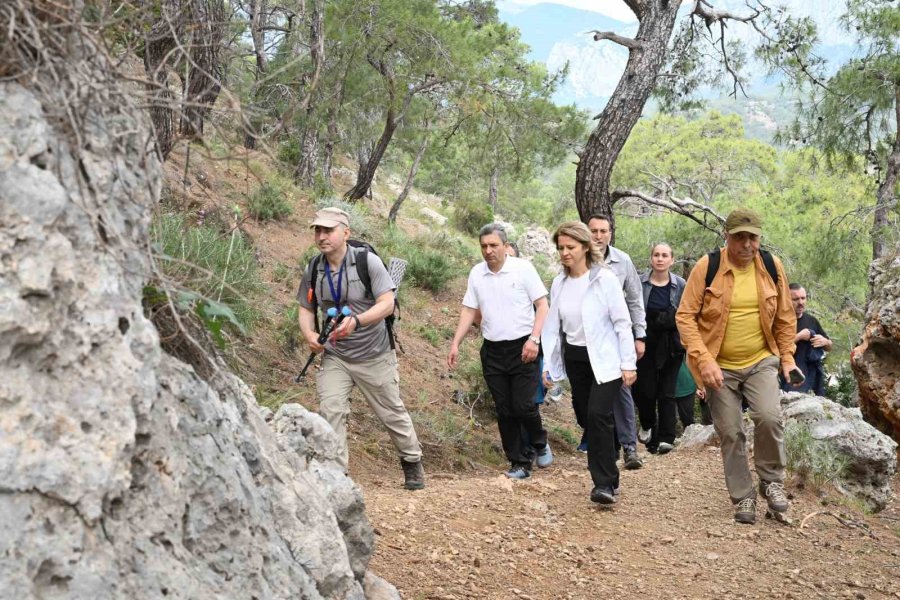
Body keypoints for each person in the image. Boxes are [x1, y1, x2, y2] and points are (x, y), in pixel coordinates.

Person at [676, 208, 798, 524]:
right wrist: (704, 361)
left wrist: (787, 358)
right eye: (739, 237)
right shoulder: (708, 266)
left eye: (752, 237)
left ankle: (771, 484)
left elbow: (785, 316)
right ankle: (744, 497)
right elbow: (685, 316)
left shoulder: (771, 266)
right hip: (718, 366)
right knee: (730, 432)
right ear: (726, 237)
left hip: (761, 359)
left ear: (759, 237)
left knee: (769, 417)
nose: (747, 244)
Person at [297, 207, 425, 490]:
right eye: (317, 230)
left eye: (328, 230)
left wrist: (357, 321)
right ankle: (336, 475)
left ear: (346, 232)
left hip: (374, 353)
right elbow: (306, 308)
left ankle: (412, 461)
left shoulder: (367, 262)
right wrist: (310, 335)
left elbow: (387, 303)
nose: (321, 236)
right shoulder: (314, 268)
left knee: (391, 411)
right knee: (330, 408)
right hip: (336, 354)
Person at [541, 222, 637, 504]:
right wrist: (550, 365)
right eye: (561, 248)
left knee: (598, 415)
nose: (565, 253)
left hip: (606, 360)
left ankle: (603, 484)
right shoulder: (559, 283)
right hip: (576, 358)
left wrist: (628, 362)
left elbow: (622, 322)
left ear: (585, 247)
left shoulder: (604, 279)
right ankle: (611, 461)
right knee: (588, 418)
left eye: (570, 247)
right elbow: (552, 328)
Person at [448, 224, 552, 479]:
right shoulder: (477, 273)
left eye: (494, 245)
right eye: (484, 246)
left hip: (524, 346)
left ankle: (539, 442)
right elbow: (469, 310)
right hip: (493, 350)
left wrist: (534, 340)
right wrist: (455, 342)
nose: (488, 250)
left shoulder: (523, 269)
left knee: (525, 405)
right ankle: (519, 463)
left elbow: (542, 305)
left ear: (505, 246)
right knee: (504, 409)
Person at [587, 214, 643, 470]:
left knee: (622, 389)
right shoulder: (579, 260)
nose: (598, 236)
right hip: (586, 340)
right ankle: (606, 447)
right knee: (590, 395)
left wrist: (639, 336)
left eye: (603, 231)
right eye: (594, 231)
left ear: (610, 233)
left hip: (616, 338)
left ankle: (630, 446)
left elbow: (634, 299)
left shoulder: (623, 261)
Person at [634, 243, 686, 454]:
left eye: (665, 255)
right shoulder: (640, 283)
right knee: (645, 391)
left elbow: (687, 313)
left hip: (670, 345)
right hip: (645, 343)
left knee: (666, 392)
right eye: (656, 255)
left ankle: (666, 438)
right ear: (651, 258)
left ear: (672, 260)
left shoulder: (680, 285)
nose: (660, 259)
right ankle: (647, 425)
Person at [783, 283, 833, 396]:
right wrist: (799, 336)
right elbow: (776, 349)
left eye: (803, 298)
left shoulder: (811, 320)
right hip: (790, 370)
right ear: (786, 299)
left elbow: (829, 347)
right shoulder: (781, 321)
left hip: (813, 372)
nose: (800, 303)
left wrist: (824, 342)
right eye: (795, 299)